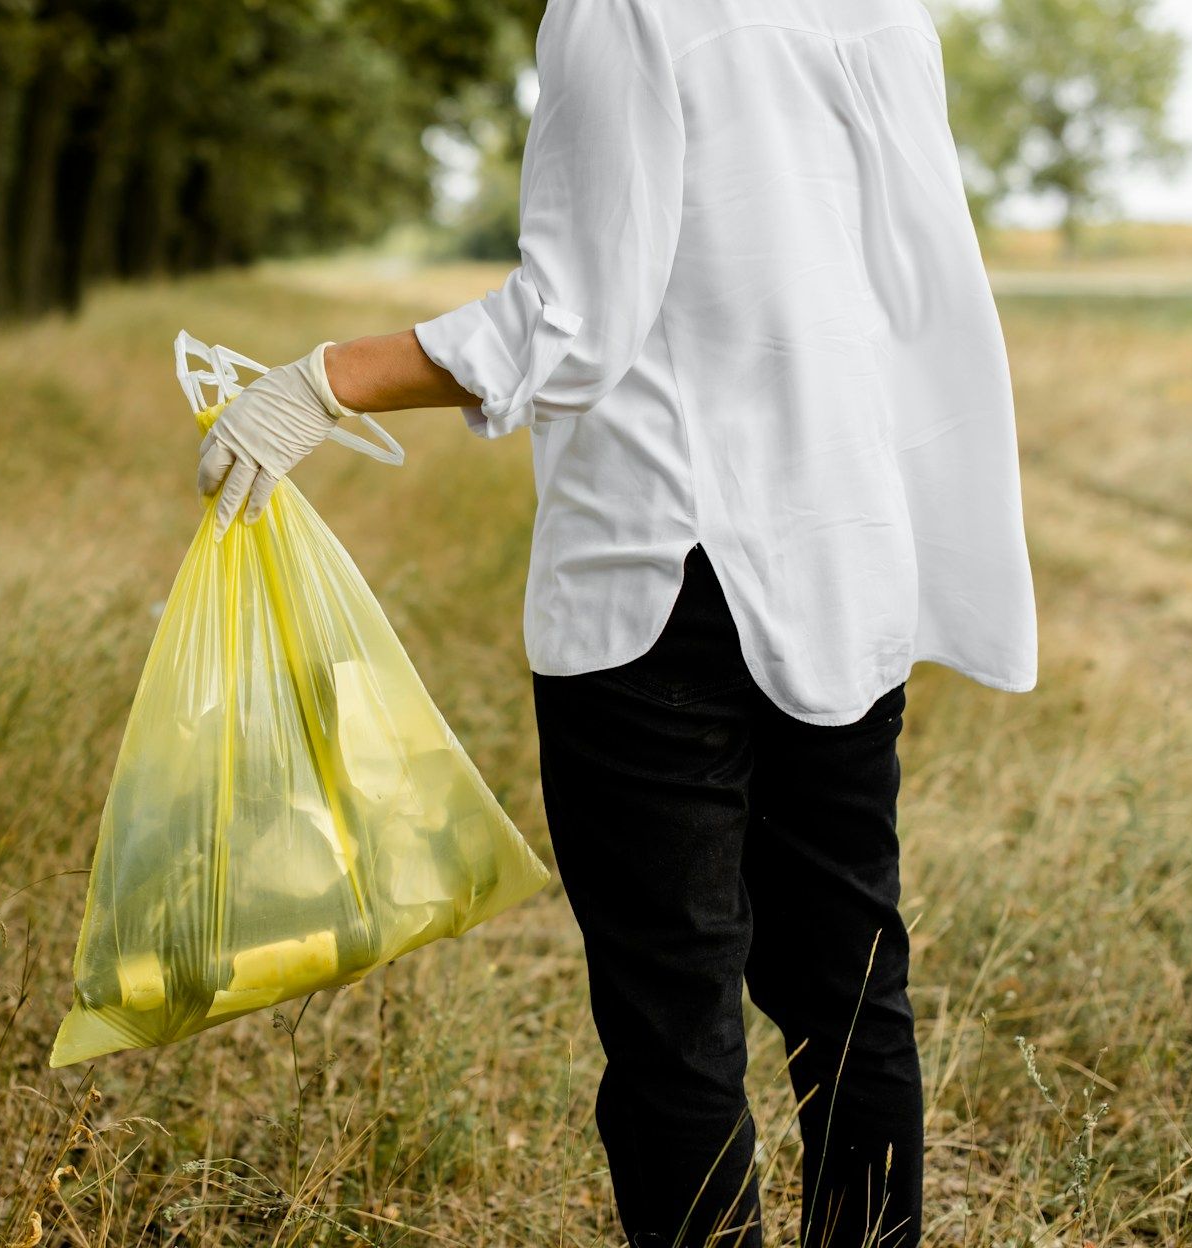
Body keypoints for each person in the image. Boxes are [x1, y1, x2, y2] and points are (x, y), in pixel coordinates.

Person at [195, 0, 1038, 1243]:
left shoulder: (625, 6)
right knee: (853, 992)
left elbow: (571, 321)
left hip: (666, 572)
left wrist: (324, 380)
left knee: (673, 1023)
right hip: (850, 552)